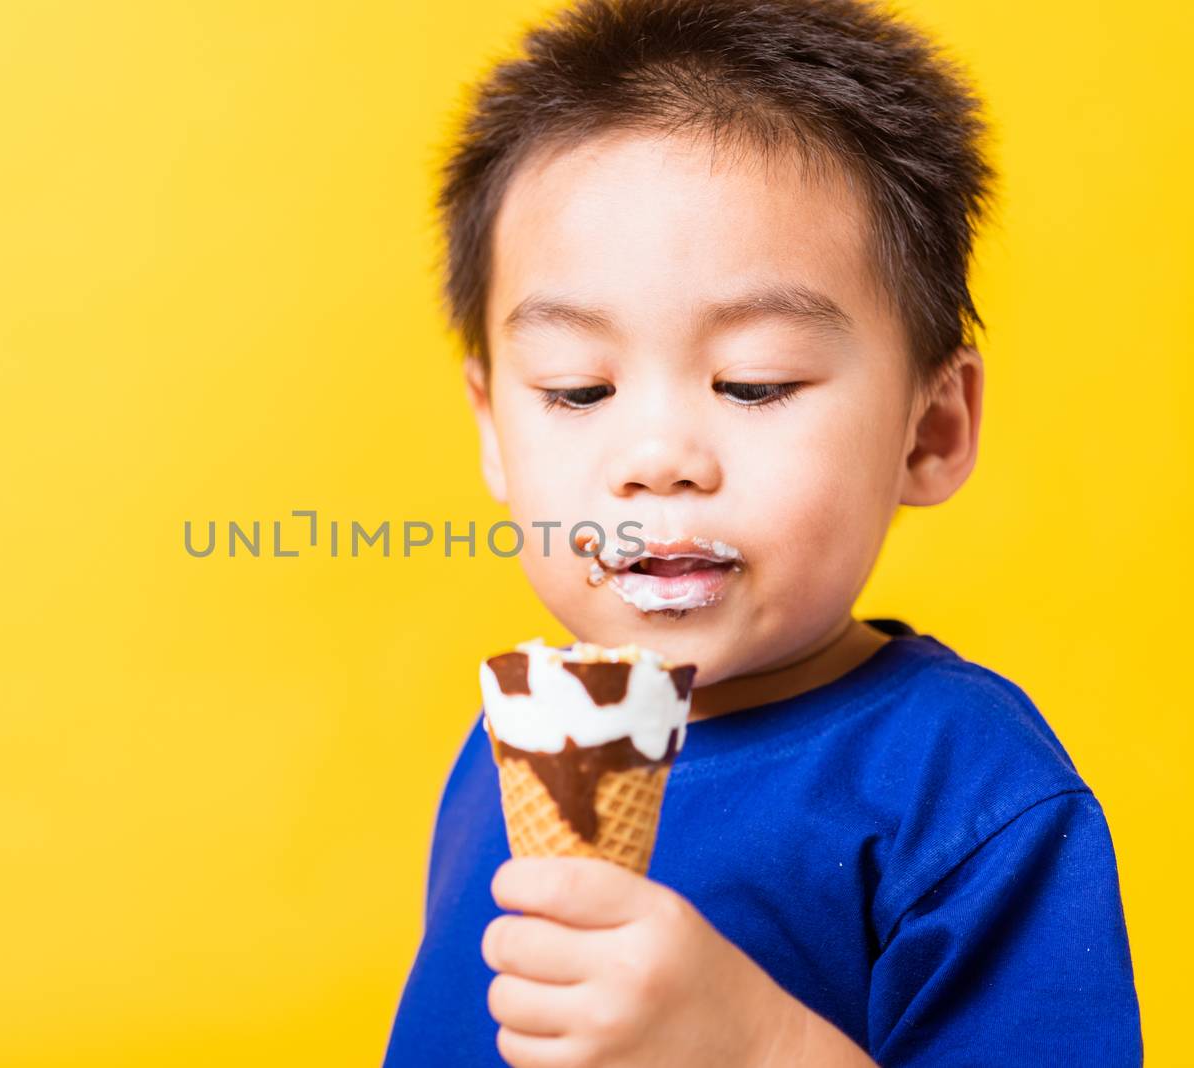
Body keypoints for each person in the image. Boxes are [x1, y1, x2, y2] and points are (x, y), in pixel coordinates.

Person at [383, 0, 1142, 1064]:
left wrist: (753, 1047)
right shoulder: (515, 751)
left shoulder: (968, 795)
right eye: (575, 389)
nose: (657, 457)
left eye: (754, 382)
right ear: (494, 434)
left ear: (928, 430)